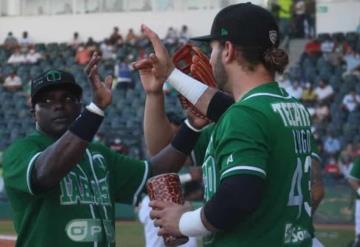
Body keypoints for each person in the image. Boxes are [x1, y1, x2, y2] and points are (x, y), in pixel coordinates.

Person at [134, 3, 324, 246]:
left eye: (212, 49)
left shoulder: (244, 115)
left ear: (228, 51)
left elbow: (237, 197)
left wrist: (182, 221)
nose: (209, 58)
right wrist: (169, 76)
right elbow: (220, 108)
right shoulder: (289, 105)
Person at [3, 53, 205, 246]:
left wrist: (192, 126)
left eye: (68, 98)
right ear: (33, 113)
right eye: (47, 101)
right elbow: (45, 173)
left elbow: (152, 173)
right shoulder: (20, 151)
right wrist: (96, 109)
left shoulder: (99, 155)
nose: (58, 106)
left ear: (79, 106)